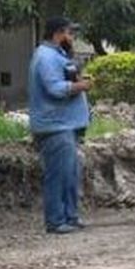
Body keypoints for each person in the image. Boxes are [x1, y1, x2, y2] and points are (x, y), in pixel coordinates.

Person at [29, 16, 91, 235]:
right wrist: (80, 86)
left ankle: (70, 216)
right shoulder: (46, 57)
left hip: (65, 125)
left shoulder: (58, 55)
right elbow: (54, 88)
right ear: (58, 34)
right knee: (59, 174)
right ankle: (55, 220)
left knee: (70, 173)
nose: (71, 38)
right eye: (69, 33)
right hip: (54, 126)